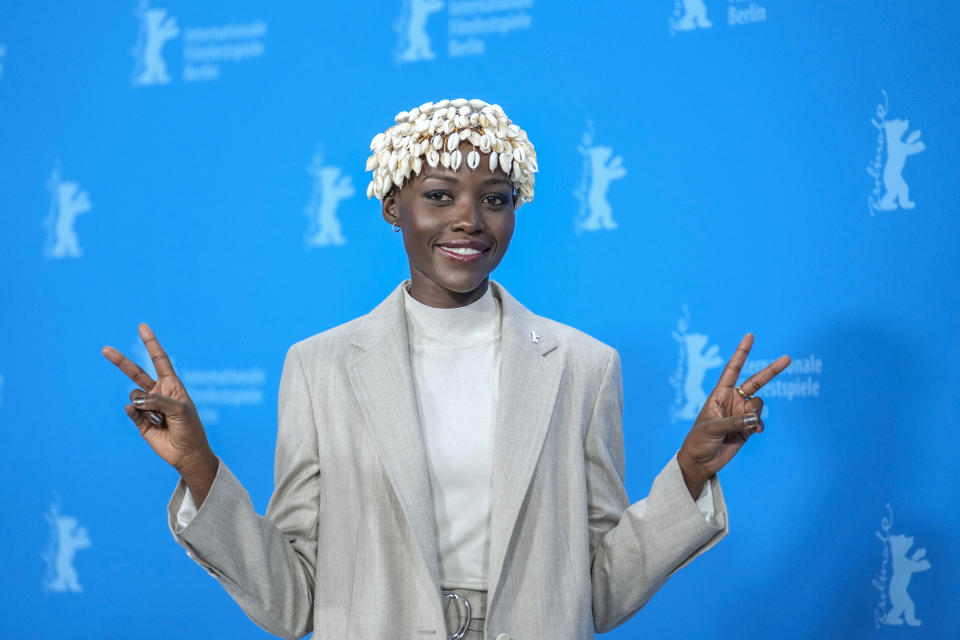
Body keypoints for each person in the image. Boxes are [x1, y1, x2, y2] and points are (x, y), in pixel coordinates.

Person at [102, 98, 791, 640]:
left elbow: (600, 593)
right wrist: (199, 469)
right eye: (439, 195)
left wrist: (692, 472)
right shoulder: (318, 368)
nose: (469, 220)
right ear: (391, 207)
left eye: (494, 198)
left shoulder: (583, 368)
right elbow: (292, 602)